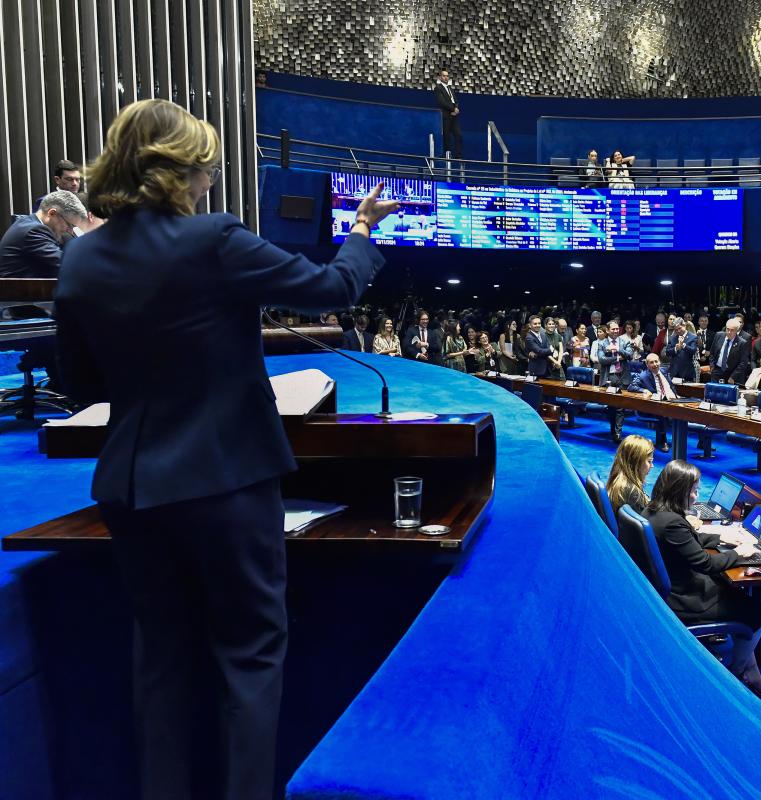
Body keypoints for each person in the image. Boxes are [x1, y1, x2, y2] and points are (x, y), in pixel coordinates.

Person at [53, 98, 396, 800]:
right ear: (179, 173)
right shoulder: (214, 239)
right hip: (227, 484)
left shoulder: (82, 258)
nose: (211, 178)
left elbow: (81, 381)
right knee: (248, 656)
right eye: (206, 167)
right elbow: (330, 289)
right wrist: (361, 228)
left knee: (161, 663)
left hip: (132, 489)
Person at [643, 460, 761, 698]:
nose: (695, 496)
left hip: (672, 590)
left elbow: (688, 543)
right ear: (678, 490)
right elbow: (706, 563)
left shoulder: (654, 511)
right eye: (693, 491)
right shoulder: (673, 523)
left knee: (739, 598)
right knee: (756, 614)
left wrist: (723, 541)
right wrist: (739, 553)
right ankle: (731, 678)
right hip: (685, 600)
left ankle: (752, 671)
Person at [0, 190, 88, 277]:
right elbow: (66, 267)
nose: (70, 231)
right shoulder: (33, 231)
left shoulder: (29, 223)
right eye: (69, 225)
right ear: (52, 213)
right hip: (18, 290)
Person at [630, 353, 678, 451]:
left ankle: (702, 441)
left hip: (673, 401)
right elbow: (631, 387)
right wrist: (644, 390)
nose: (655, 364)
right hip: (656, 405)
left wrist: (676, 396)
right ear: (647, 365)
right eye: (651, 362)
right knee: (662, 411)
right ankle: (663, 441)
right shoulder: (643, 376)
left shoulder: (664, 371)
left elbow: (671, 387)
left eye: (656, 361)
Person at [606, 435, 654, 513]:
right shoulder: (632, 493)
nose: (652, 466)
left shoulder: (617, 481)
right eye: (649, 461)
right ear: (636, 462)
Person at [710, 319, 751, 385]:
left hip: (731, 374)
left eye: (732, 330)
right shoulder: (718, 335)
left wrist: (733, 377)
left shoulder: (742, 343)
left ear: (737, 331)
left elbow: (743, 363)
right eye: (727, 329)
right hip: (716, 372)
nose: (729, 332)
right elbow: (712, 353)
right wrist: (712, 367)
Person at [433, 68, 463, 160]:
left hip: (454, 116)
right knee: (446, 136)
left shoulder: (450, 88)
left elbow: (455, 100)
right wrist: (453, 109)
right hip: (446, 115)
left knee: (458, 135)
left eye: (447, 76)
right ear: (440, 77)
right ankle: (447, 155)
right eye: (444, 76)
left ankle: (458, 156)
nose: (446, 77)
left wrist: (456, 108)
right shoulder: (438, 88)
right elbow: (442, 102)